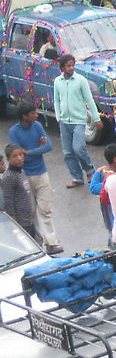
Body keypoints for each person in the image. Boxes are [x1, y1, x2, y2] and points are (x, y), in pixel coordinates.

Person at [9, 101, 62, 254]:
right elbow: (19, 154)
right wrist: (37, 149)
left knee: (45, 210)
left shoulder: (37, 126)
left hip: (41, 173)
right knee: (30, 211)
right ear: (25, 116)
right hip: (25, 175)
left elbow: (48, 146)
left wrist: (30, 152)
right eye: (33, 113)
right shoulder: (14, 131)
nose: (36, 115)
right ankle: (37, 243)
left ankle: (51, 243)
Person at [53, 54, 100, 188]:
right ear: (62, 67)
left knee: (78, 148)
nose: (72, 68)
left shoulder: (80, 80)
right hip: (64, 122)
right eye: (69, 66)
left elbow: (89, 100)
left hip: (79, 120)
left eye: (73, 65)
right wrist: (58, 117)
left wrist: (96, 118)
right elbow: (56, 100)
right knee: (68, 152)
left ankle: (90, 171)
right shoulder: (58, 81)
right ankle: (77, 177)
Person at [2, 145, 35, 238]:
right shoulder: (9, 177)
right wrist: (15, 225)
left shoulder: (21, 172)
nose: (19, 158)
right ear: (8, 159)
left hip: (28, 220)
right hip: (20, 224)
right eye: (15, 156)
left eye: (21, 154)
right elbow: (8, 203)